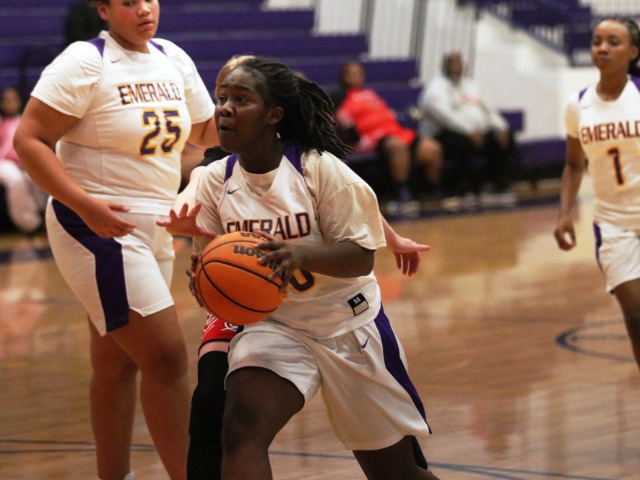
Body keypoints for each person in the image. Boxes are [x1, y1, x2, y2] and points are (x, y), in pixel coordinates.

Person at [163, 55, 439, 480]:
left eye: (241, 99)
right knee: (239, 433)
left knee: (395, 473)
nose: (225, 109)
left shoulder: (320, 170)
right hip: (277, 327)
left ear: (274, 114)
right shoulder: (216, 180)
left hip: (348, 326)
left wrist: (302, 255)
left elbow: (361, 257)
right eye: (222, 99)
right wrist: (205, 279)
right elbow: (216, 262)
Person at [13, 1, 219, 479]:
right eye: (128, 2)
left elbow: (206, 132)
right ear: (103, 9)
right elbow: (29, 139)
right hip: (95, 225)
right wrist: (84, 204)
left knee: (117, 365)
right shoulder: (85, 61)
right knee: (166, 357)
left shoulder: (171, 56)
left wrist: (261, 113)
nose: (144, 9)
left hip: (156, 225)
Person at [554, 16, 640, 372]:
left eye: (613, 42)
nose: (602, 48)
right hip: (613, 224)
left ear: (633, 52)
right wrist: (565, 213)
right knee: (635, 314)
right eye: (597, 41)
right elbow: (574, 165)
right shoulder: (578, 104)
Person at [332, 61, 442, 218]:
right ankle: (402, 192)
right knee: (397, 146)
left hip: (395, 132)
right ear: (344, 77)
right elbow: (341, 123)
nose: (357, 77)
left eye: (359, 73)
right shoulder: (339, 97)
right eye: (352, 74)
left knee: (432, 148)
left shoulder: (370, 93)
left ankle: (430, 191)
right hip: (372, 139)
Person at [417, 51, 517, 210]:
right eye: (453, 62)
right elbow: (446, 117)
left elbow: (488, 110)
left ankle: (495, 187)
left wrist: (501, 127)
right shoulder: (435, 88)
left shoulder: (472, 85)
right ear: (445, 65)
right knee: (462, 143)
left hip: (476, 132)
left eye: (459, 62)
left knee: (504, 138)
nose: (457, 65)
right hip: (443, 133)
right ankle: (459, 189)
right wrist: (469, 130)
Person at [0, 87, 46, 235]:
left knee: (35, 176)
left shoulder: (25, 121)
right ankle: (30, 224)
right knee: (15, 179)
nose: (10, 103)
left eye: (13, 100)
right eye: (6, 100)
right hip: (3, 163)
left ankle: (44, 213)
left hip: (23, 161)